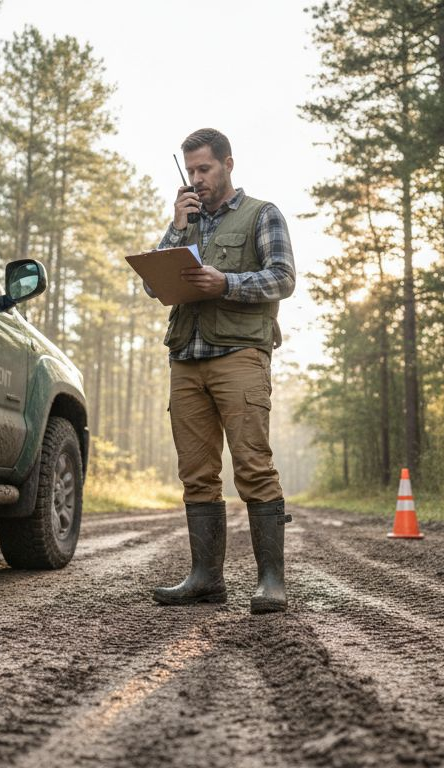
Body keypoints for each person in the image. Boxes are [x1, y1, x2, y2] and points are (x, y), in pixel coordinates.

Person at [149, 128, 296, 614]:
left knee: (253, 467)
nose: (197, 179)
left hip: (239, 356)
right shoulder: (184, 222)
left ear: (228, 164)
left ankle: (271, 581)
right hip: (186, 360)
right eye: (190, 171)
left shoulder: (262, 214)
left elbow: (283, 277)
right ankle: (205, 580)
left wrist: (225, 282)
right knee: (196, 474)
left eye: (204, 169)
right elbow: (155, 287)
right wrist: (175, 226)